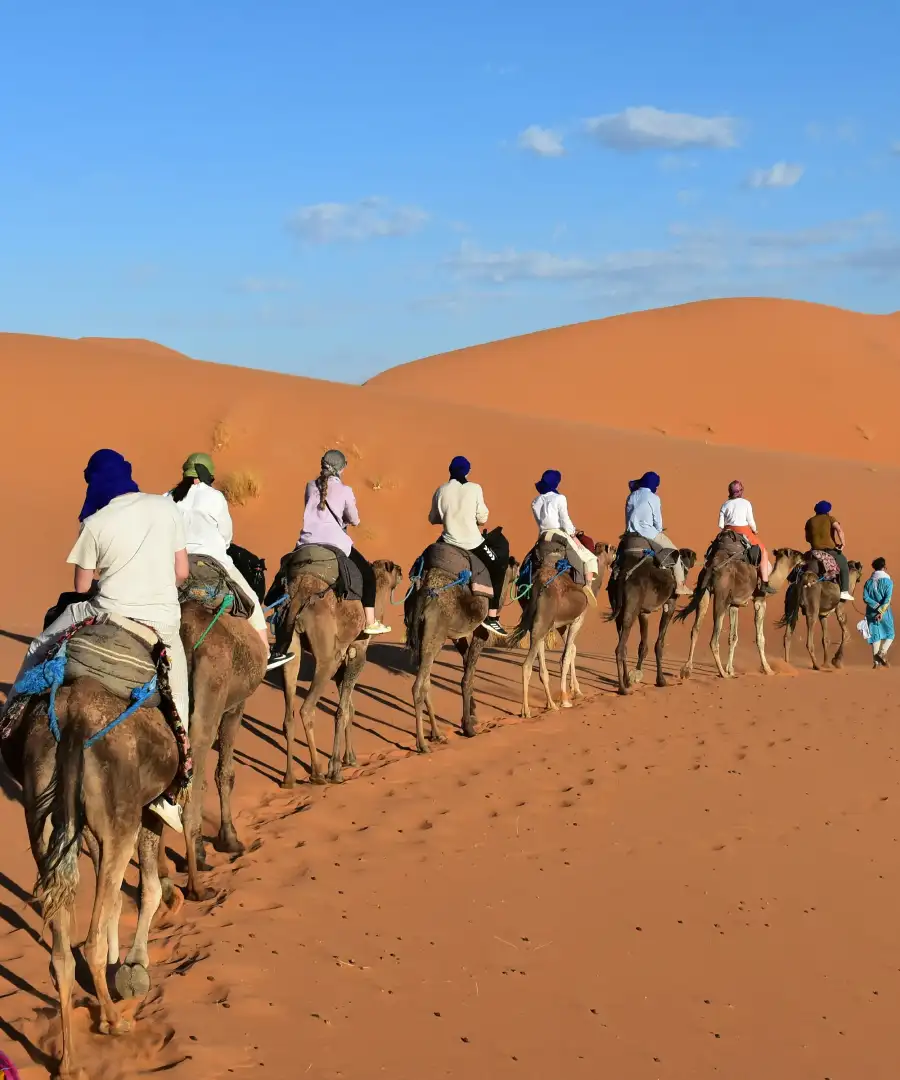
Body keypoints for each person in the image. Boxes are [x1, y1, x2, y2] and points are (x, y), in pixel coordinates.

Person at [3, 450, 188, 833]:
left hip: (104, 612)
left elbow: (82, 588)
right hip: (162, 622)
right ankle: (175, 786)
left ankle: (8, 719)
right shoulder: (165, 507)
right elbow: (182, 572)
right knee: (180, 692)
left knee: (38, 645)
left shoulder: (95, 522)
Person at [165, 453, 291, 671]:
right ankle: (266, 654)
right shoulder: (214, 497)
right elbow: (226, 536)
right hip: (213, 560)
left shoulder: (167, 497)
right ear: (207, 475)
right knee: (250, 600)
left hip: (175, 563)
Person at [269, 450, 390, 665]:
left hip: (307, 542)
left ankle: (275, 610)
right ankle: (370, 621)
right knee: (368, 576)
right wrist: (352, 520)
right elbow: (353, 518)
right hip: (336, 543)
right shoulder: (345, 490)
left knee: (285, 570)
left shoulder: (309, 485)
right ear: (342, 468)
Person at [429, 456, 509, 636]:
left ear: (449, 470)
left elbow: (433, 518)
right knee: (497, 566)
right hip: (473, 543)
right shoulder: (475, 488)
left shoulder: (441, 490)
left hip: (447, 541)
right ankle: (492, 617)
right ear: (468, 472)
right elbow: (483, 518)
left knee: (422, 563)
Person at [531, 469, 599, 607]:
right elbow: (564, 520)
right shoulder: (560, 498)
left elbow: (540, 522)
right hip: (559, 535)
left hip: (543, 536)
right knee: (588, 557)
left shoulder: (535, 501)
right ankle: (587, 585)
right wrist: (573, 535)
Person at [623, 471, 690, 596]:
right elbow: (657, 522)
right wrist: (658, 530)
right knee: (674, 552)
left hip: (630, 533)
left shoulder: (631, 496)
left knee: (619, 555)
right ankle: (680, 585)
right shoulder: (653, 498)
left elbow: (627, 517)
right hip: (648, 533)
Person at [717, 480, 775, 595]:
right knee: (763, 551)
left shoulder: (725, 505)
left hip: (727, 531)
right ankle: (764, 583)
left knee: (713, 550)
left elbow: (720, 525)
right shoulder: (746, 503)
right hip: (743, 531)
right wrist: (754, 530)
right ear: (741, 491)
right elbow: (751, 521)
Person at [804, 500, 853, 601]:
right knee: (844, 564)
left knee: (800, 567)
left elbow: (807, 538)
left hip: (814, 551)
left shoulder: (809, 521)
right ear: (827, 511)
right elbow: (839, 530)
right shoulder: (830, 519)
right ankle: (844, 591)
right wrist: (843, 543)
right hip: (830, 550)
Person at [863, 557, 893, 668]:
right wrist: (880, 610)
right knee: (890, 634)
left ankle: (876, 663)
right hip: (885, 612)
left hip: (871, 612)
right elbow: (887, 599)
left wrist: (875, 607)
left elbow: (865, 597)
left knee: (875, 636)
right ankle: (882, 653)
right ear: (884, 567)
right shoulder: (888, 582)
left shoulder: (868, 582)